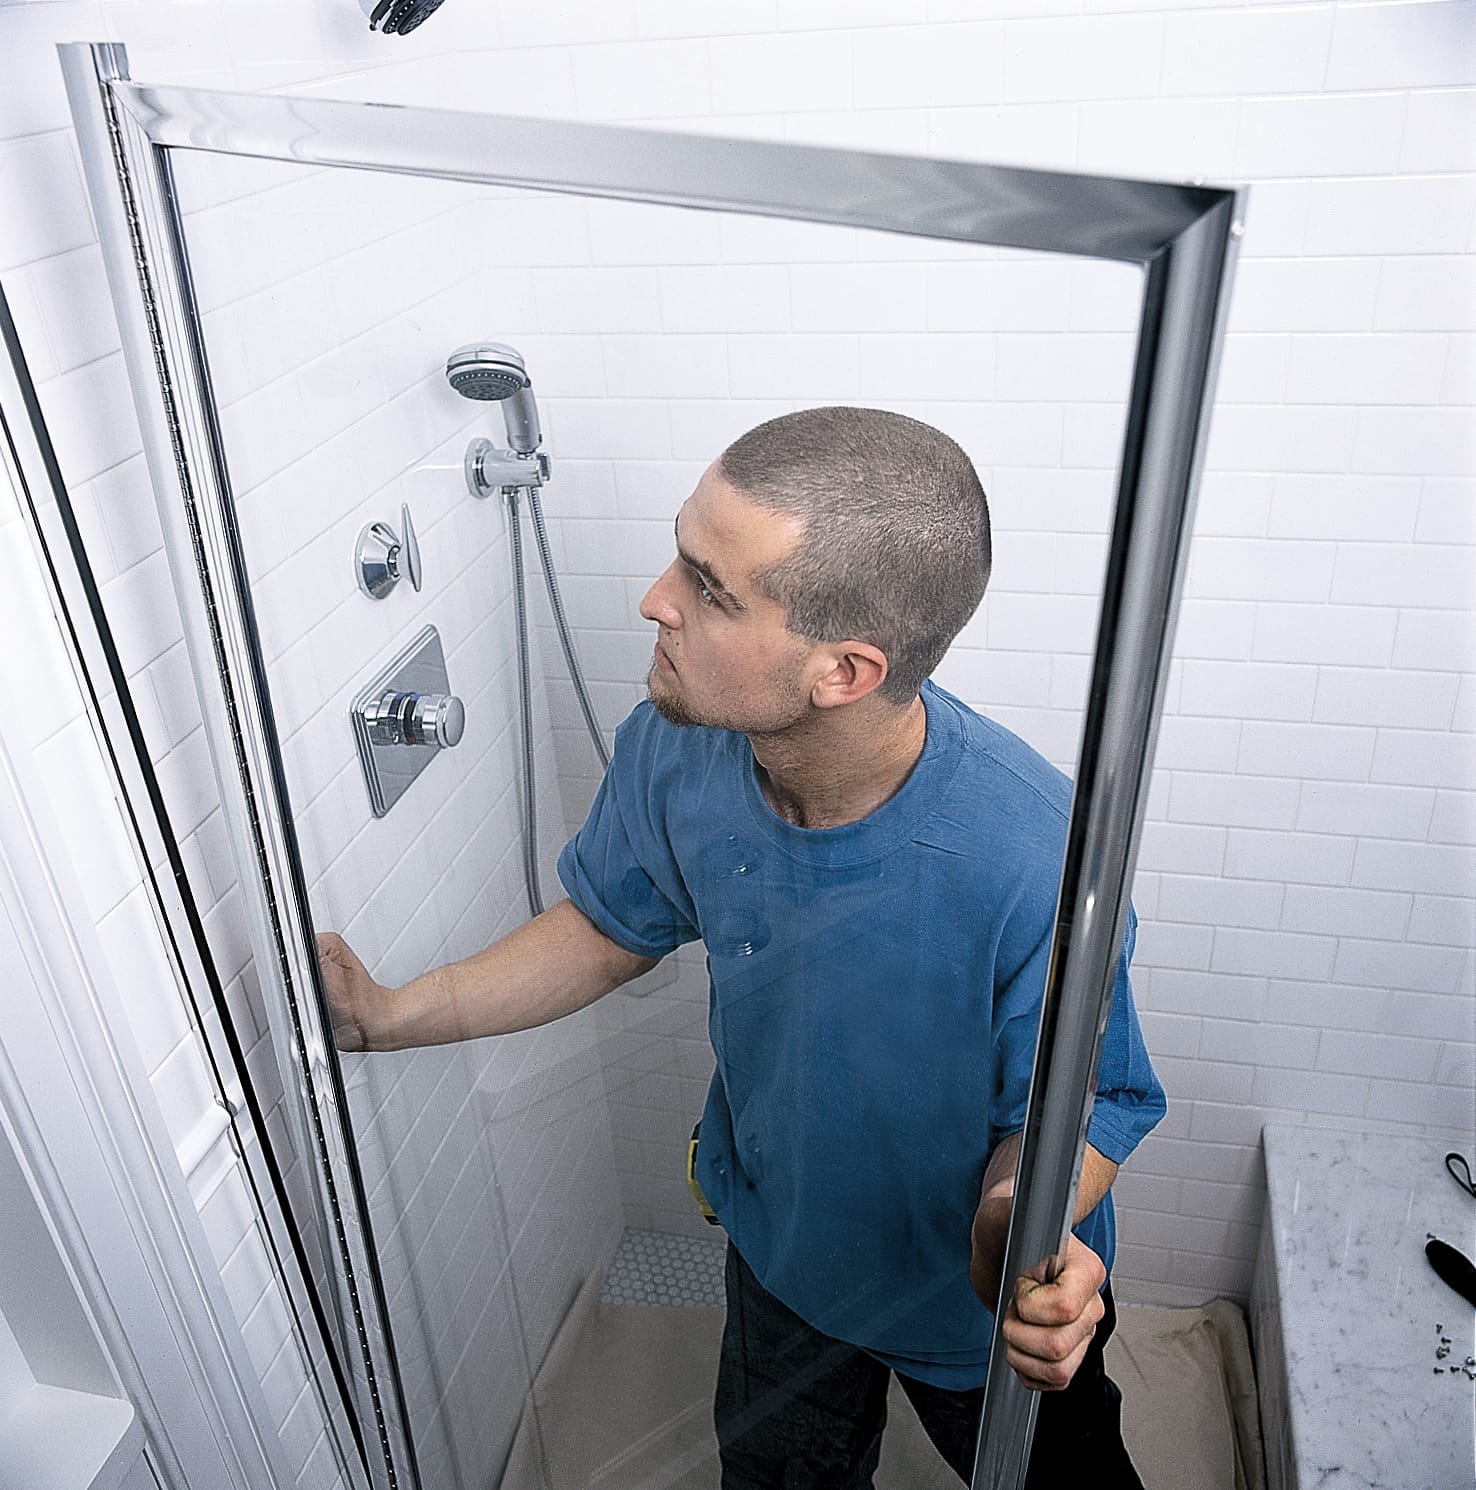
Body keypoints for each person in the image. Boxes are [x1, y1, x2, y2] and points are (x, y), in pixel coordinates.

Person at [318, 406, 1165, 1488]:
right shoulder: (681, 745)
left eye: (709, 588)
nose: (655, 599)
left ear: (843, 673)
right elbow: (606, 924)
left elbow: (1077, 1107)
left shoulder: (1037, 858)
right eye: (681, 551)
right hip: (787, 1255)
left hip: (973, 1302)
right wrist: (395, 1012)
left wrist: (1015, 1226)